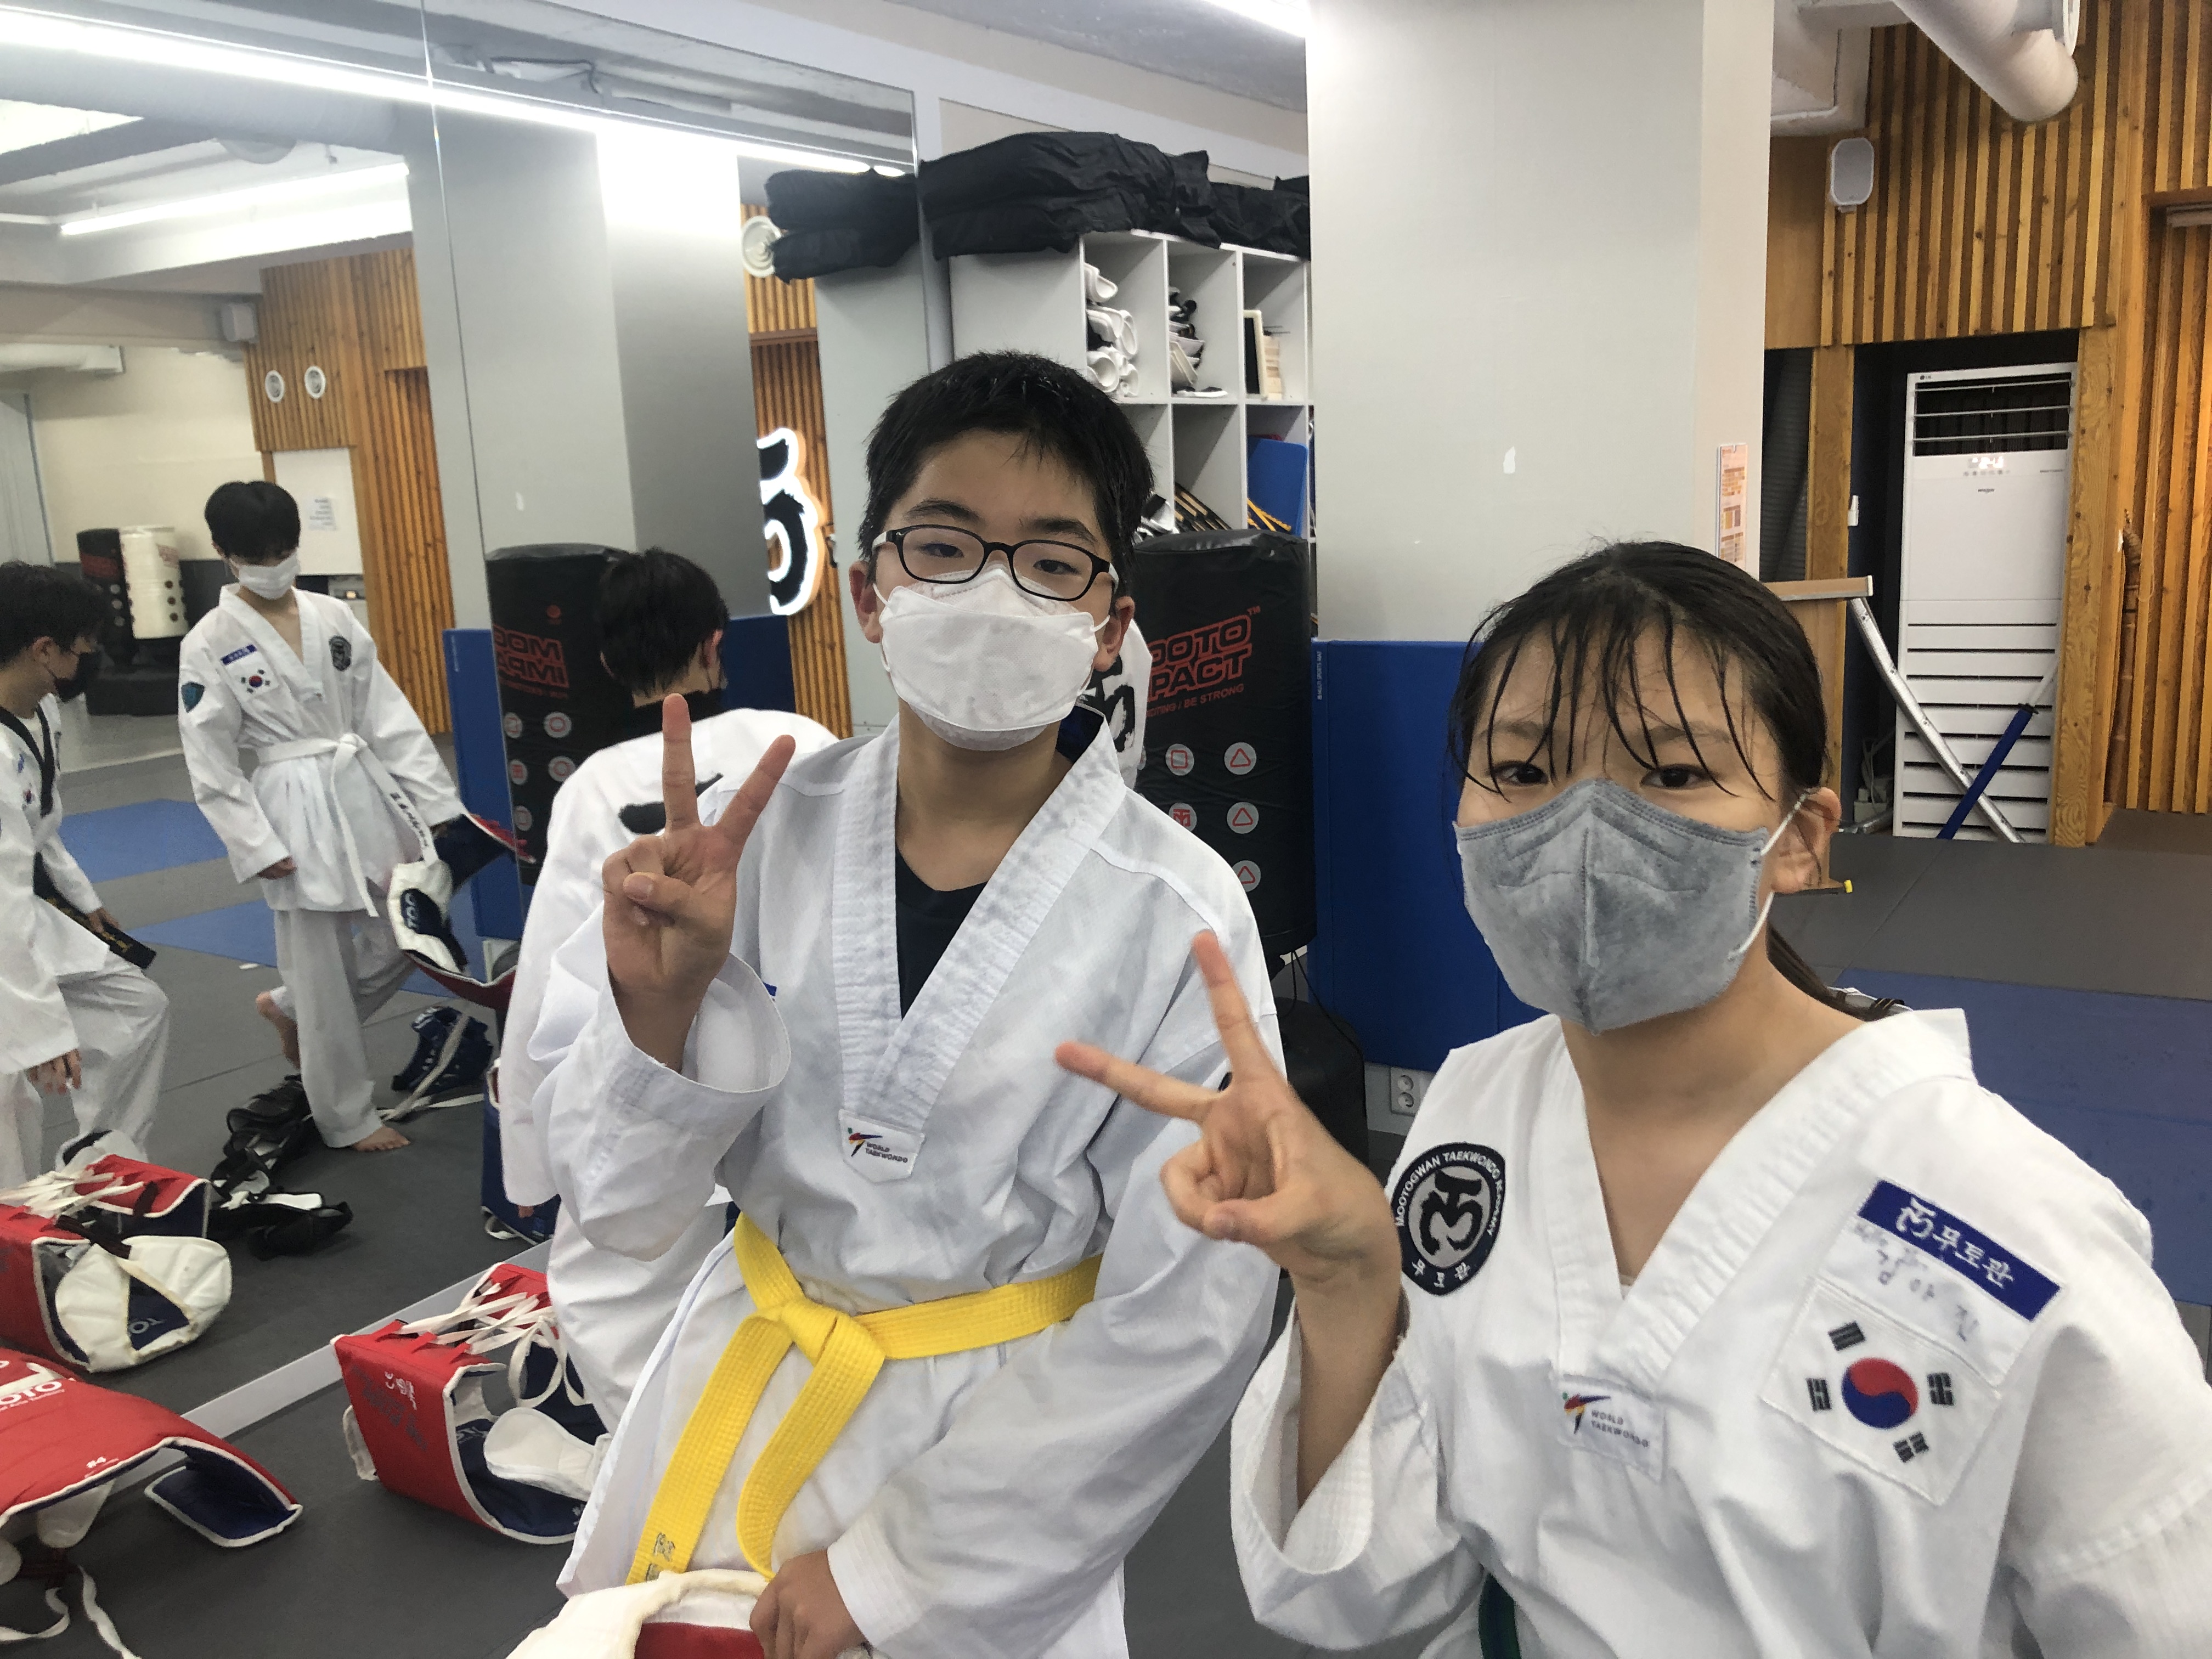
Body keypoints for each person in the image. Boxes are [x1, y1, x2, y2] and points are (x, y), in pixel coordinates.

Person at [1060, 543, 2212, 1657]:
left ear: (1800, 839)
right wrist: (1345, 1284)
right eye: (1523, 771)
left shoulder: (2008, 1228)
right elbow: (1359, 1589)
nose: (1583, 827)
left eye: (1670, 771)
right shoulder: (1473, 1119)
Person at [528, 352, 1279, 1658]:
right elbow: (622, 1211)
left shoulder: (1179, 912)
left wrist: (898, 1573)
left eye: (1051, 561)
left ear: (1109, 623)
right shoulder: (756, 844)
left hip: (991, 1466)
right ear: (871, 593)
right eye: (943, 546)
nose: (993, 590)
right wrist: (655, 1016)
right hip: (739, 1391)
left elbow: (1186, 1318)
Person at [497, 546, 836, 1424]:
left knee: (622, 1277)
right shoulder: (800, 741)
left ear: (608, 663)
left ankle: (656, 1464)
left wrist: (528, 1156)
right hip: (806, 1062)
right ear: (716, 643)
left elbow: (551, 980)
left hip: (656, 1062)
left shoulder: (592, 787)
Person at [179, 481, 465, 1153]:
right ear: (223, 552)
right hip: (289, 803)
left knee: (411, 932)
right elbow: (209, 758)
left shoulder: (332, 616)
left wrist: (436, 804)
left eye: (283, 549)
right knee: (319, 967)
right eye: (258, 554)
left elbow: (386, 715)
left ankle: (289, 1010)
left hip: (359, 785)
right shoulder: (209, 641)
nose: (273, 564)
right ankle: (347, 1116)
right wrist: (254, 843)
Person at [0, 562, 172, 1187]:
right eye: (78, 651)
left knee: (135, 1008)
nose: (80, 669)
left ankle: (102, 1170)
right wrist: (40, 1031)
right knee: (10, 1098)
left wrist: (82, 900)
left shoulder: (40, 713)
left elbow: (41, 828)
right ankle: (18, 1226)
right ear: (44, 648)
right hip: (5, 919)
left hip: (28, 903)